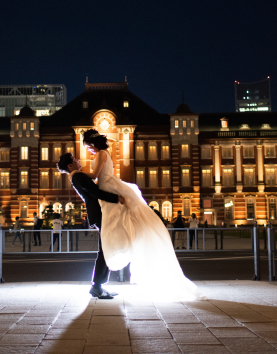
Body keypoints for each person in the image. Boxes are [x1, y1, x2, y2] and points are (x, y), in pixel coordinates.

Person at [80, 128, 203, 299]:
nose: (89, 150)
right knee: (115, 226)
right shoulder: (105, 153)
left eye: (88, 147)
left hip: (108, 190)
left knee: (112, 227)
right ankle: (110, 264)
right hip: (108, 188)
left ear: (94, 143)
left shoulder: (101, 154)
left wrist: (76, 173)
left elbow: (94, 175)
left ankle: (109, 266)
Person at [57, 152, 124, 299]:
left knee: (105, 248)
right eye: (75, 160)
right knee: (104, 249)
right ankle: (97, 286)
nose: (78, 160)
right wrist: (116, 198)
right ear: (70, 166)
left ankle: (98, 285)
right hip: (99, 213)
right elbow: (95, 192)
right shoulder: (77, 177)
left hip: (98, 213)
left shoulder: (76, 176)